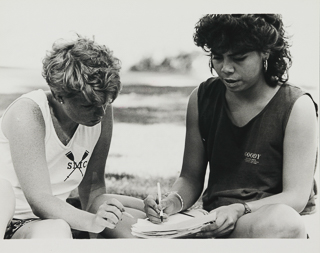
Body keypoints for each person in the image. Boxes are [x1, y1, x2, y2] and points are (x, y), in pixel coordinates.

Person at [144, 14, 318, 238]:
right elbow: (190, 177)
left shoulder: (296, 106)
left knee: (283, 222)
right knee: (117, 215)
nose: (225, 68)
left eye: (239, 58)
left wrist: (239, 210)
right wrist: (172, 201)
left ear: (266, 51)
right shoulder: (201, 99)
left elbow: (295, 197)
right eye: (218, 57)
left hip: (266, 221)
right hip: (214, 218)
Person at [0, 35, 145, 239]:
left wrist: (141, 207)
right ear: (59, 95)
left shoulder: (100, 112)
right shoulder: (28, 113)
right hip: (5, 213)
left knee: (58, 231)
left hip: (40, 223)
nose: (101, 113)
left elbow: (93, 187)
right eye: (89, 106)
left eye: (105, 103)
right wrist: (90, 222)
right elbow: (40, 200)